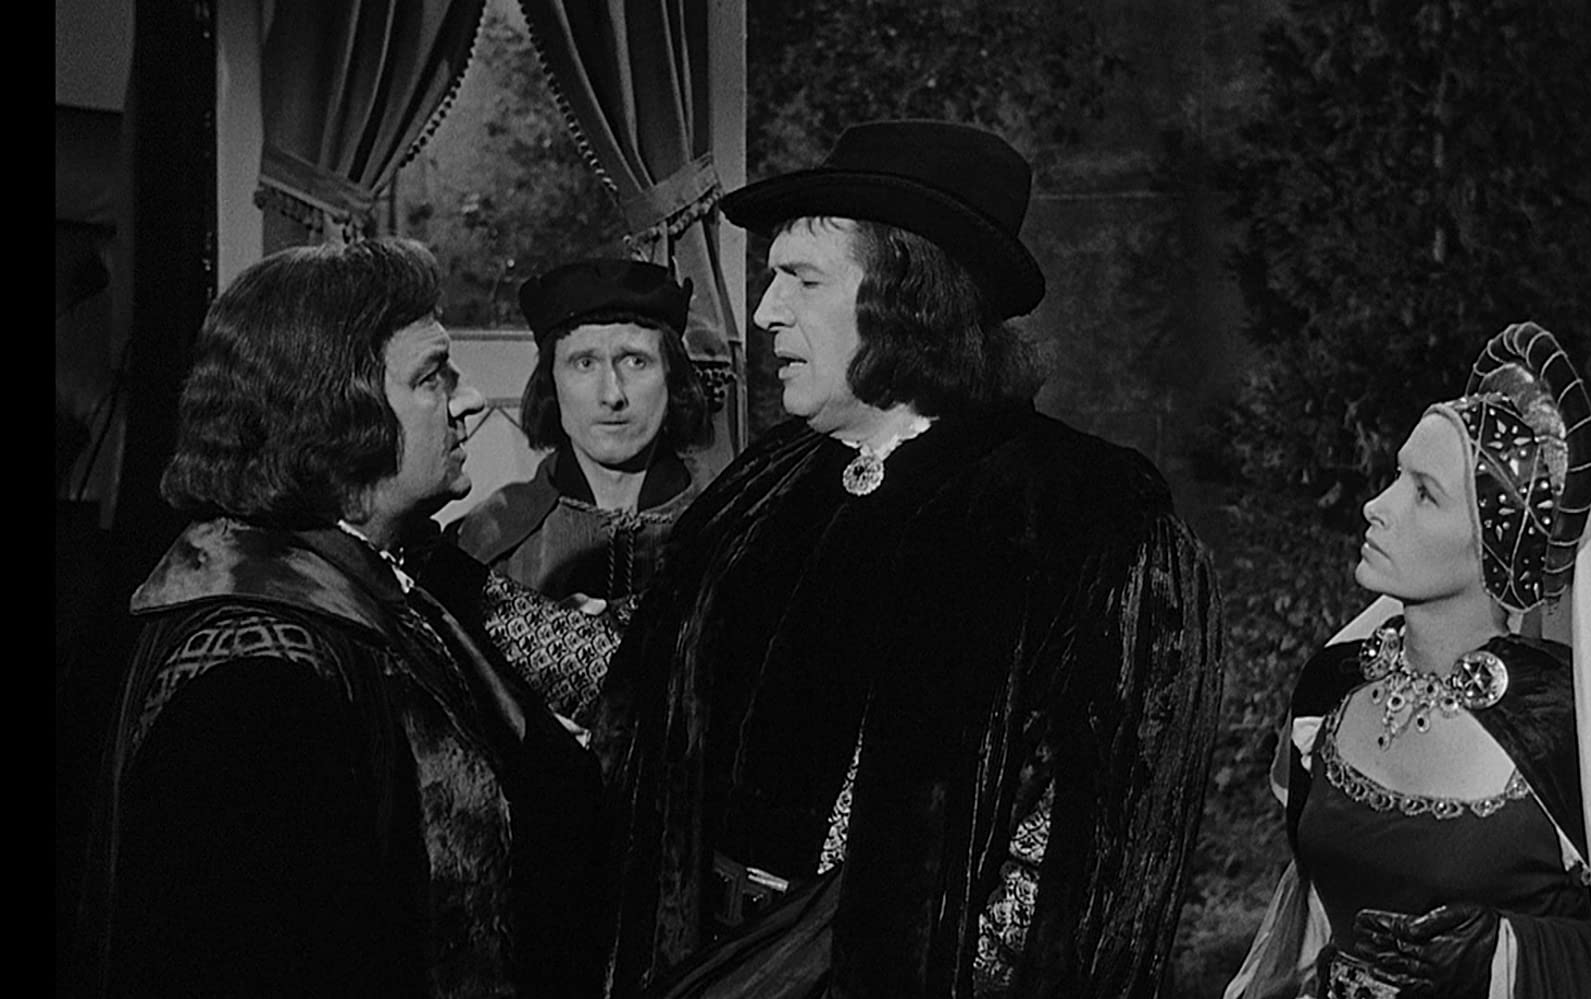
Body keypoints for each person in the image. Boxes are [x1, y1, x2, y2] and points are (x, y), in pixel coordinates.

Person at [585, 119, 1226, 998]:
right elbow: (642, 666)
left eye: (801, 278)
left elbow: (1077, 854)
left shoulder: (1080, 513)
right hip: (706, 963)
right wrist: (431, 579)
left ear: (904, 295)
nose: (765, 311)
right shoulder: (775, 477)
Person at [76, 237, 608, 997]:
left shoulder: (394, 572)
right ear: (334, 412)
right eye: (432, 376)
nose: (468, 402)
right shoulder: (257, 675)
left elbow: (590, 665)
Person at [1222, 322, 1591, 999]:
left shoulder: (1561, 728)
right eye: (1396, 476)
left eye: (1424, 493)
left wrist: (1504, 956)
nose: (1376, 506)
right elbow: (1304, 919)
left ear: (1494, 544)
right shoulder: (1332, 686)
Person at [446, 258, 714, 728]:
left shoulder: (727, 524)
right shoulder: (488, 537)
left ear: (673, 378)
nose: (612, 395)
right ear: (551, 382)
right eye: (584, 363)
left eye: (636, 360)